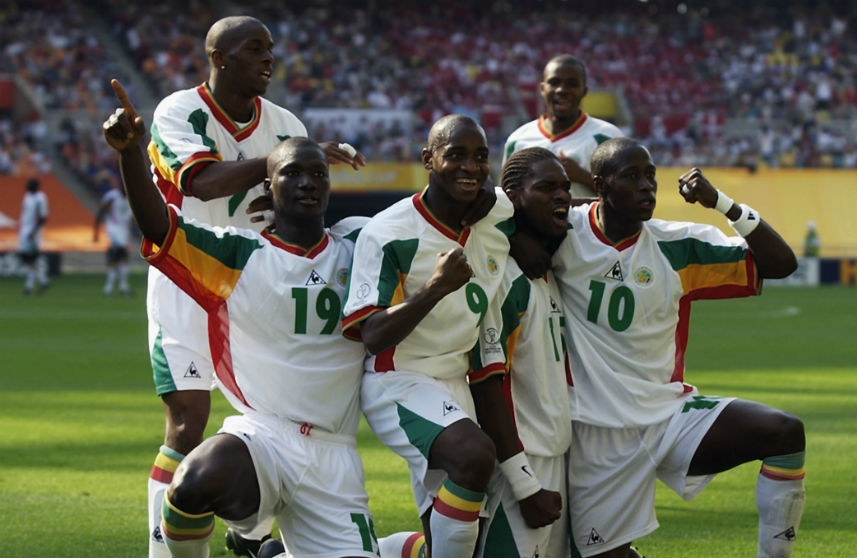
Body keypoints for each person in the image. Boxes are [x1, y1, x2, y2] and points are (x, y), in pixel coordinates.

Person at [103, 83, 377, 558]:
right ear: (269, 186)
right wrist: (131, 156)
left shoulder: (362, 244)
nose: (309, 182)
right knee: (195, 477)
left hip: (335, 454)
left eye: (318, 173)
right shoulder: (240, 257)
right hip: (265, 436)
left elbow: (428, 225)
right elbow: (160, 228)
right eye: (293, 173)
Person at [550, 138, 805, 558]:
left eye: (650, 176)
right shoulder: (563, 234)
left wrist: (722, 203)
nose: (647, 186)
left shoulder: (676, 245)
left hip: (668, 416)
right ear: (601, 185)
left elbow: (780, 264)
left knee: (783, 432)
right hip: (596, 432)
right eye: (631, 177)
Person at [342, 114, 514, 558]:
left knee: (459, 528)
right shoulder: (389, 231)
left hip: (455, 379)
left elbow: (539, 206)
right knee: (475, 457)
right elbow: (373, 333)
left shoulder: (494, 213)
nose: (470, 167)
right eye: (455, 155)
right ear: (428, 159)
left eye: (480, 157)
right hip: (398, 377)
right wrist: (435, 288)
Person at [471, 147, 573, 557]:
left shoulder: (546, 268)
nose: (562, 196)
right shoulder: (506, 279)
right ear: (511, 197)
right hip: (518, 464)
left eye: (565, 188)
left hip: (556, 454)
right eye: (547, 187)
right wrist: (525, 483)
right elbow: (486, 382)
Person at [503, 54, 623, 198]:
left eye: (572, 84)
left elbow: (626, 195)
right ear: (542, 88)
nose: (562, 90)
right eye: (554, 82)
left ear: (584, 91)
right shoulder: (517, 140)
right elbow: (505, 198)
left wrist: (582, 176)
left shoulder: (608, 137)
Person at [93, 181, 134, 296]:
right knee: (119, 256)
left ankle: (119, 287)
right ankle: (112, 287)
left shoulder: (130, 198)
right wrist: (95, 229)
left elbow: (130, 217)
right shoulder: (113, 196)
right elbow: (102, 209)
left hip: (123, 231)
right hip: (113, 229)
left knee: (121, 259)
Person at [18, 177, 49, 295]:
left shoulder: (40, 198)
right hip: (24, 230)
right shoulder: (27, 196)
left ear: (36, 186)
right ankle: (43, 280)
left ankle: (29, 286)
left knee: (31, 257)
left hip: (33, 231)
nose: (27, 187)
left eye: (29, 185)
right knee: (25, 257)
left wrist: (34, 231)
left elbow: (43, 217)